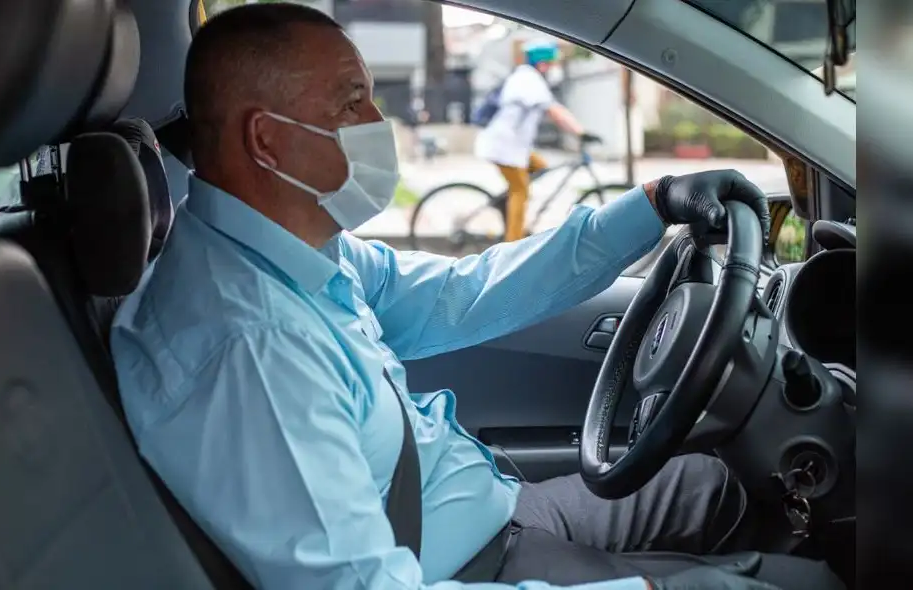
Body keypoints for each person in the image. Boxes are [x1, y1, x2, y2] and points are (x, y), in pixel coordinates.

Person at [111, 5, 842, 590]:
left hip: (491, 516)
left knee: (716, 490)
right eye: (352, 101)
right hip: (468, 565)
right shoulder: (246, 349)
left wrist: (650, 205)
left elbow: (464, 293)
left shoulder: (292, 254)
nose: (378, 124)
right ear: (266, 142)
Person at [474, 39, 586, 243]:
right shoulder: (528, 79)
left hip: (514, 147)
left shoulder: (527, 77)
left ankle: (506, 204)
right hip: (504, 147)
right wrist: (580, 132)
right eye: (553, 63)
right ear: (542, 63)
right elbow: (554, 111)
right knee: (521, 190)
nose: (555, 68)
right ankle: (511, 245)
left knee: (540, 167)